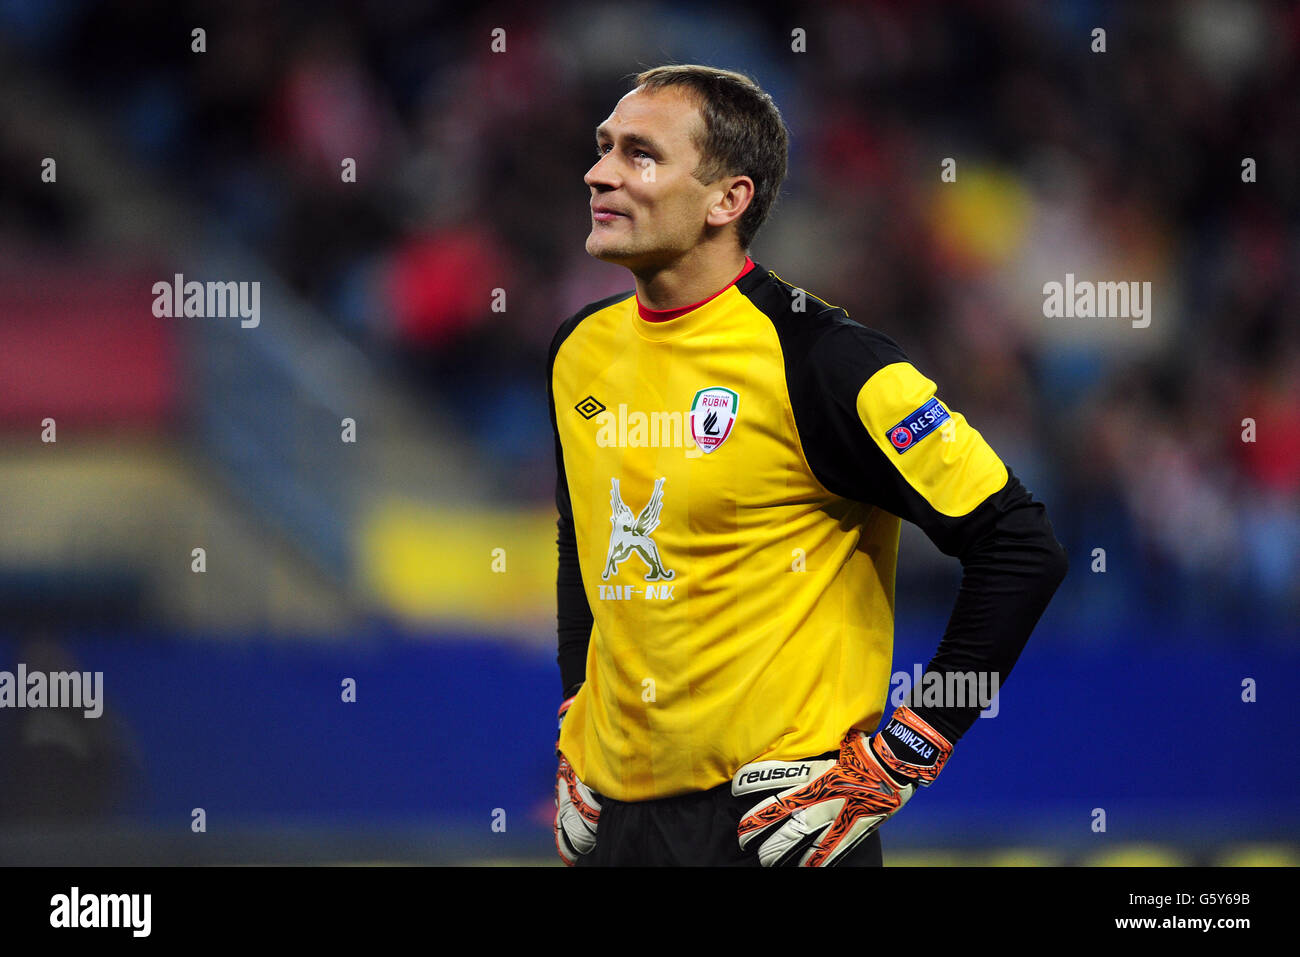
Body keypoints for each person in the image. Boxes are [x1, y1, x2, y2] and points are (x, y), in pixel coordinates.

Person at [547, 65, 1068, 866]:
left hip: (782, 830)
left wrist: (906, 752)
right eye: (604, 147)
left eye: (640, 154)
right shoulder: (577, 352)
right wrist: (575, 717)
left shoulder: (827, 360)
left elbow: (1020, 546)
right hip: (618, 831)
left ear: (729, 200)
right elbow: (585, 543)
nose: (600, 171)